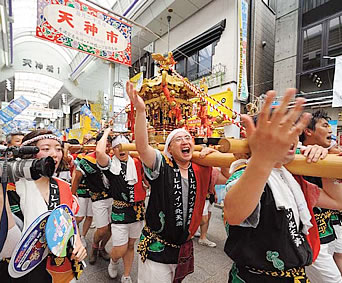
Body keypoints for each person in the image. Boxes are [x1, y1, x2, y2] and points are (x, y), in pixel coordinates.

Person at [224, 89, 342, 282]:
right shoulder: (244, 175)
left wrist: (325, 160)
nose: (291, 137)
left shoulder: (292, 179)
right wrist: (263, 158)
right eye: (280, 131)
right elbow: (233, 214)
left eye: (293, 129)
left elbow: (340, 202)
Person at [126, 81, 229, 282]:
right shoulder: (161, 164)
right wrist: (140, 111)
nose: (185, 141)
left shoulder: (201, 169)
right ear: (170, 148)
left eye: (188, 138)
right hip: (157, 246)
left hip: (183, 246)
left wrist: (218, 157)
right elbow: (142, 146)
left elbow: (228, 177)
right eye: (179, 139)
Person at [9, 130, 86, 281]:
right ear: (30, 153)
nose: (55, 154)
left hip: (61, 267)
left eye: (58, 149)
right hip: (24, 268)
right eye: (46, 149)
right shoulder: (12, 188)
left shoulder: (63, 186)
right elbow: (9, 239)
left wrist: (77, 242)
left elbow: (68, 221)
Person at [300, 110, 342, 283]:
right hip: (310, 235)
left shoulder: (331, 155)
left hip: (328, 226)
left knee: (340, 256)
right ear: (308, 131)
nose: (331, 130)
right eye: (325, 125)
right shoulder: (299, 158)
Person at [96, 129, 146, 283]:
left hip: (138, 211)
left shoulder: (138, 162)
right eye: (117, 146)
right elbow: (99, 152)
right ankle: (114, 261)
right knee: (120, 248)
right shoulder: (111, 166)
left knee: (131, 245)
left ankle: (126, 274)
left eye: (125, 145)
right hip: (119, 211)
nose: (122, 149)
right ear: (112, 149)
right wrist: (106, 133)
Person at [74, 132, 112, 264]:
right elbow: (77, 177)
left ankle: (102, 248)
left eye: (109, 145)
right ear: (97, 145)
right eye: (104, 145)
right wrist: (72, 195)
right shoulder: (87, 160)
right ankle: (94, 248)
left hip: (115, 199)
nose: (106, 148)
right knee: (102, 229)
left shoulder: (114, 158)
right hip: (98, 198)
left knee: (111, 228)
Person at [71, 138, 96, 248]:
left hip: (93, 192)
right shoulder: (81, 157)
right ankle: (71, 233)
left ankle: (82, 236)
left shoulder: (101, 158)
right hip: (81, 190)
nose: (92, 146)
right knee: (79, 216)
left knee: (89, 216)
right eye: (90, 144)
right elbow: (75, 176)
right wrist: (73, 191)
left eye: (94, 144)